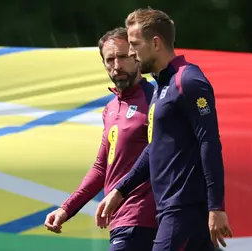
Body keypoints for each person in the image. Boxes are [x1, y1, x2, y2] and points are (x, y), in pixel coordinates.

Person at [95, 8, 233, 251]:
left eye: (135, 44)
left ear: (156, 43)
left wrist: (216, 207)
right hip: (173, 210)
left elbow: (209, 143)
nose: (131, 52)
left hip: (184, 210)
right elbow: (154, 148)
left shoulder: (188, 81)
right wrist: (120, 191)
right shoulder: (162, 85)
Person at [44, 27, 157, 251]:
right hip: (119, 220)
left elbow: (162, 152)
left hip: (147, 219)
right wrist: (66, 209)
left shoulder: (156, 98)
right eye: (110, 59)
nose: (117, 66)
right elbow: (101, 168)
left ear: (136, 55)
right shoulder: (110, 109)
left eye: (123, 57)